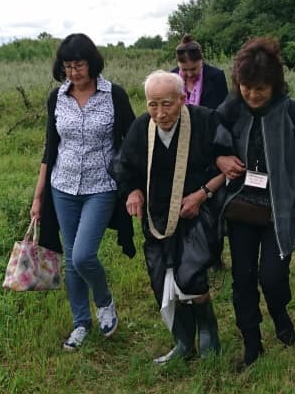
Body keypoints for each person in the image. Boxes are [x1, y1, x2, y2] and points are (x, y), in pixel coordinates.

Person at [214, 37, 295, 369]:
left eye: (260, 87)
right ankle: (252, 342)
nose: (252, 94)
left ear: (275, 83)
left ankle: (279, 312)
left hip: (281, 211)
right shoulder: (230, 110)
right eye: (246, 86)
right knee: (242, 280)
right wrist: (221, 159)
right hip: (240, 208)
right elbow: (211, 143)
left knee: (273, 278)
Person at [31, 33, 136, 350]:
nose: (73, 72)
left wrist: (135, 185)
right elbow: (51, 148)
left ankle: (104, 301)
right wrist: (38, 197)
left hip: (100, 187)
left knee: (83, 254)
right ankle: (81, 323)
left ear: (92, 63)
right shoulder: (57, 98)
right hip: (62, 187)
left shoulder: (113, 94)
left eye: (79, 65)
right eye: (67, 66)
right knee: (71, 258)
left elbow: (132, 140)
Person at [114, 70, 226, 364]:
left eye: (167, 104)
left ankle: (209, 334)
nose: (160, 113)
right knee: (160, 278)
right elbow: (124, 166)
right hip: (157, 217)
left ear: (183, 99)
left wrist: (201, 194)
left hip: (199, 209)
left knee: (190, 274)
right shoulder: (142, 128)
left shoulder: (205, 120)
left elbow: (228, 168)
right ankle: (183, 342)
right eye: (153, 104)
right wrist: (133, 192)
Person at [171, 34, 229, 109]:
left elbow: (224, 109)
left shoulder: (216, 76)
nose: (189, 74)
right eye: (184, 70)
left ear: (201, 61)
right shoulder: (171, 78)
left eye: (193, 69)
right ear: (178, 64)